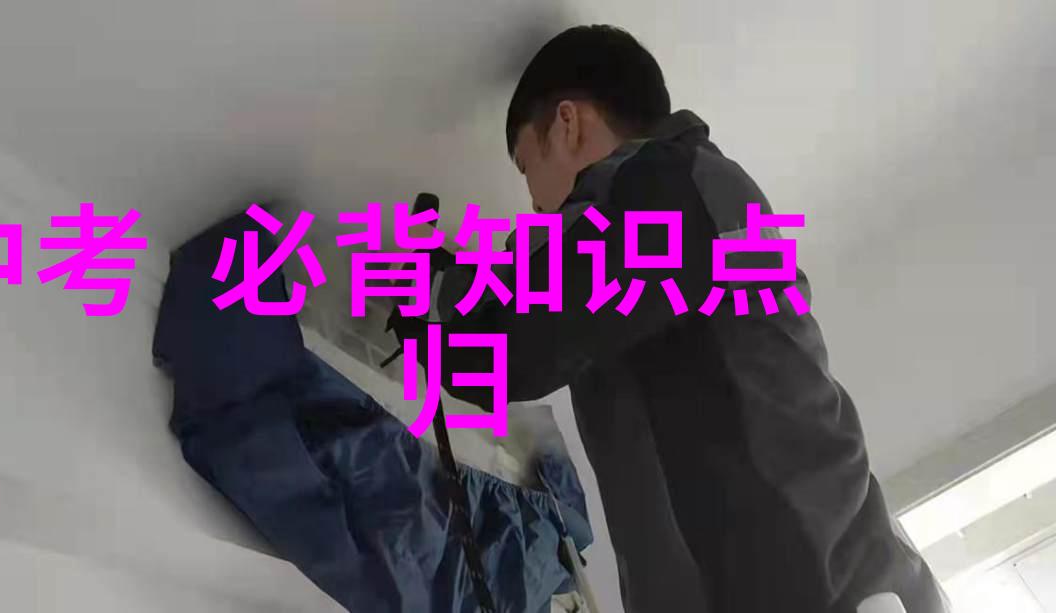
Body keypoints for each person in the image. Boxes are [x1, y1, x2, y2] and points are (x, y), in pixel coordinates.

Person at [389, 25, 947, 613]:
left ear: (568, 123)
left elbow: (510, 351)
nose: (534, 207)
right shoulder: (671, 215)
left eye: (529, 170)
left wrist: (431, 304)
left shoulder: (673, 182)